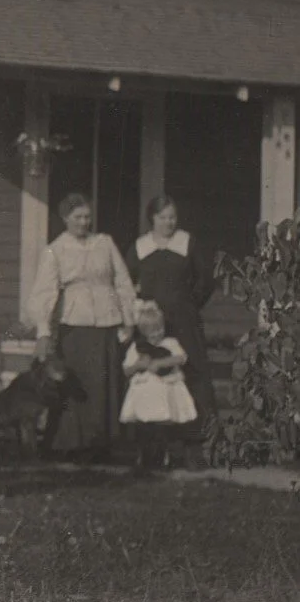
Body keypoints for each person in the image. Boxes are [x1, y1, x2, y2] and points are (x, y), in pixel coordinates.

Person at [27, 192, 136, 463]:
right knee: (77, 386)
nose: (84, 222)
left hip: (106, 322)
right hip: (74, 325)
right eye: (77, 217)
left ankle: (102, 445)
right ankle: (72, 445)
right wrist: (43, 330)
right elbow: (44, 292)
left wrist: (129, 319)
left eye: (87, 217)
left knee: (103, 384)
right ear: (65, 218)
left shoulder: (105, 243)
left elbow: (122, 282)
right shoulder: (56, 249)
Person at [125, 195, 216, 470]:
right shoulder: (140, 247)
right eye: (163, 217)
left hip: (184, 321)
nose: (169, 222)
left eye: (173, 216)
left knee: (192, 376)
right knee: (153, 379)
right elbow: (126, 283)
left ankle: (193, 447)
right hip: (153, 325)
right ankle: (154, 448)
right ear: (151, 218)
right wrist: (140, 309)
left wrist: (188, 305)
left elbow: (206, 279)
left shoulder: (187, 243)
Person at [120, 300, 198, 474]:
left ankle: (168, 456)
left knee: (166, 426)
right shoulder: (137, 347)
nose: (156, 335)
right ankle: (145, 456)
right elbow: (126, 369)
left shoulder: (170, 343)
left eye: (159, 330)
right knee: (146, 426)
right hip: (146, 393)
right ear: (143, 331)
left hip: (166, 390)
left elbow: (181, 358)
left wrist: (160, 362)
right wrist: (139, 364)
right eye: (151, 332)